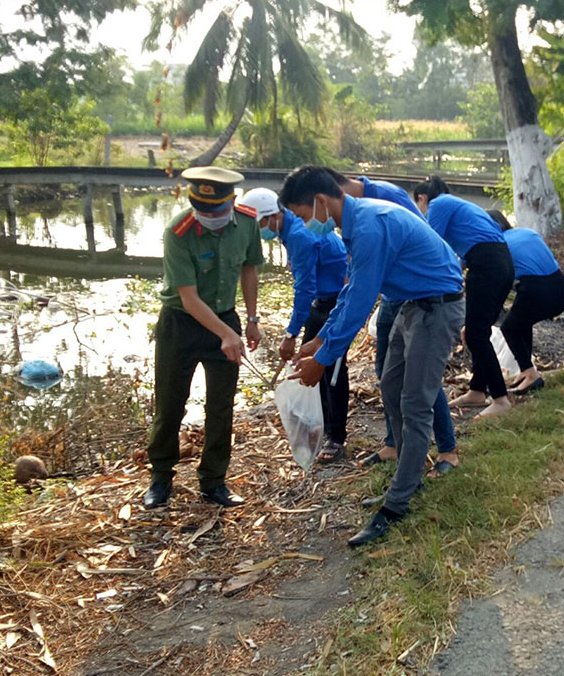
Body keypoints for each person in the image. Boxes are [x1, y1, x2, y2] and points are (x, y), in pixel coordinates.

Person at [281, 166, 466, 548]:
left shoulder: (368, 225)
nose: (302, 224)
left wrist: (327, 357)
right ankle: (406, 476)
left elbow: (363, 300)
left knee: (416, 403)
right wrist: (322, 339)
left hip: (437, 306)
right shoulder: (353, 223)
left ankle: (396, 506)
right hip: (410, 303)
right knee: (391, 384)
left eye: (301, 215)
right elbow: (351, 292)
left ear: (320, 201)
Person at [143, 167, 263, 510]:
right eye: (203, 210)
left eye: (216, 211)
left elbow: (249, 269)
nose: (209, 217)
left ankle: (213, 481)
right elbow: (189, 297)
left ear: (232, 202)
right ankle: (161, 477)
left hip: (226, 317)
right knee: (170, 403)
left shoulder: (248, 223)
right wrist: (227, 334)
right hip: (181, 325)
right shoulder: (178, 232)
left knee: (221, 407)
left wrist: (251, 320)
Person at [325, 172, 459, 476]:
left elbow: (426, 244)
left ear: (333, 195)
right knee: (388, 376)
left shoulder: (387, 198)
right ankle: (394, 443)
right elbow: (357, 277)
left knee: (420, 383)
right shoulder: (354, 213)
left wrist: (325, 354)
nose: (332, 221)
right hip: (392, 295)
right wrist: (323, 339)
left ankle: (447, 449)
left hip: (417, 295)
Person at [238, 187, 350, 463]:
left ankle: (336, 438)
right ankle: (320, 423)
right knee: (310, 365)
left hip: (335, 302)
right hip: (322, 302)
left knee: (331, 368)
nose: (260, 232)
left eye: (260, 225)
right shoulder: (289, 227)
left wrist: (290, 334)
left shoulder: (299, 235)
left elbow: (305, 288)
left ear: (273, 216)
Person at [412, 176, 516, 419]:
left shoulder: (438, 205)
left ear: (422, 198)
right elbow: (458, 256)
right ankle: (478, 391)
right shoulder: (457, 204)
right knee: (479, 331)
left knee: (476, 335)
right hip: (500, 262)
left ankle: (500, 399)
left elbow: (428, 243)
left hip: (487, 265)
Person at [498, 222, 564, 394]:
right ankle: (526, 371)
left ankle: (531, 375)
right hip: (562, 287)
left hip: (537, 290)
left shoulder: (500, 243)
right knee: (522, 321)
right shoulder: (527, 232)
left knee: (509, 328)